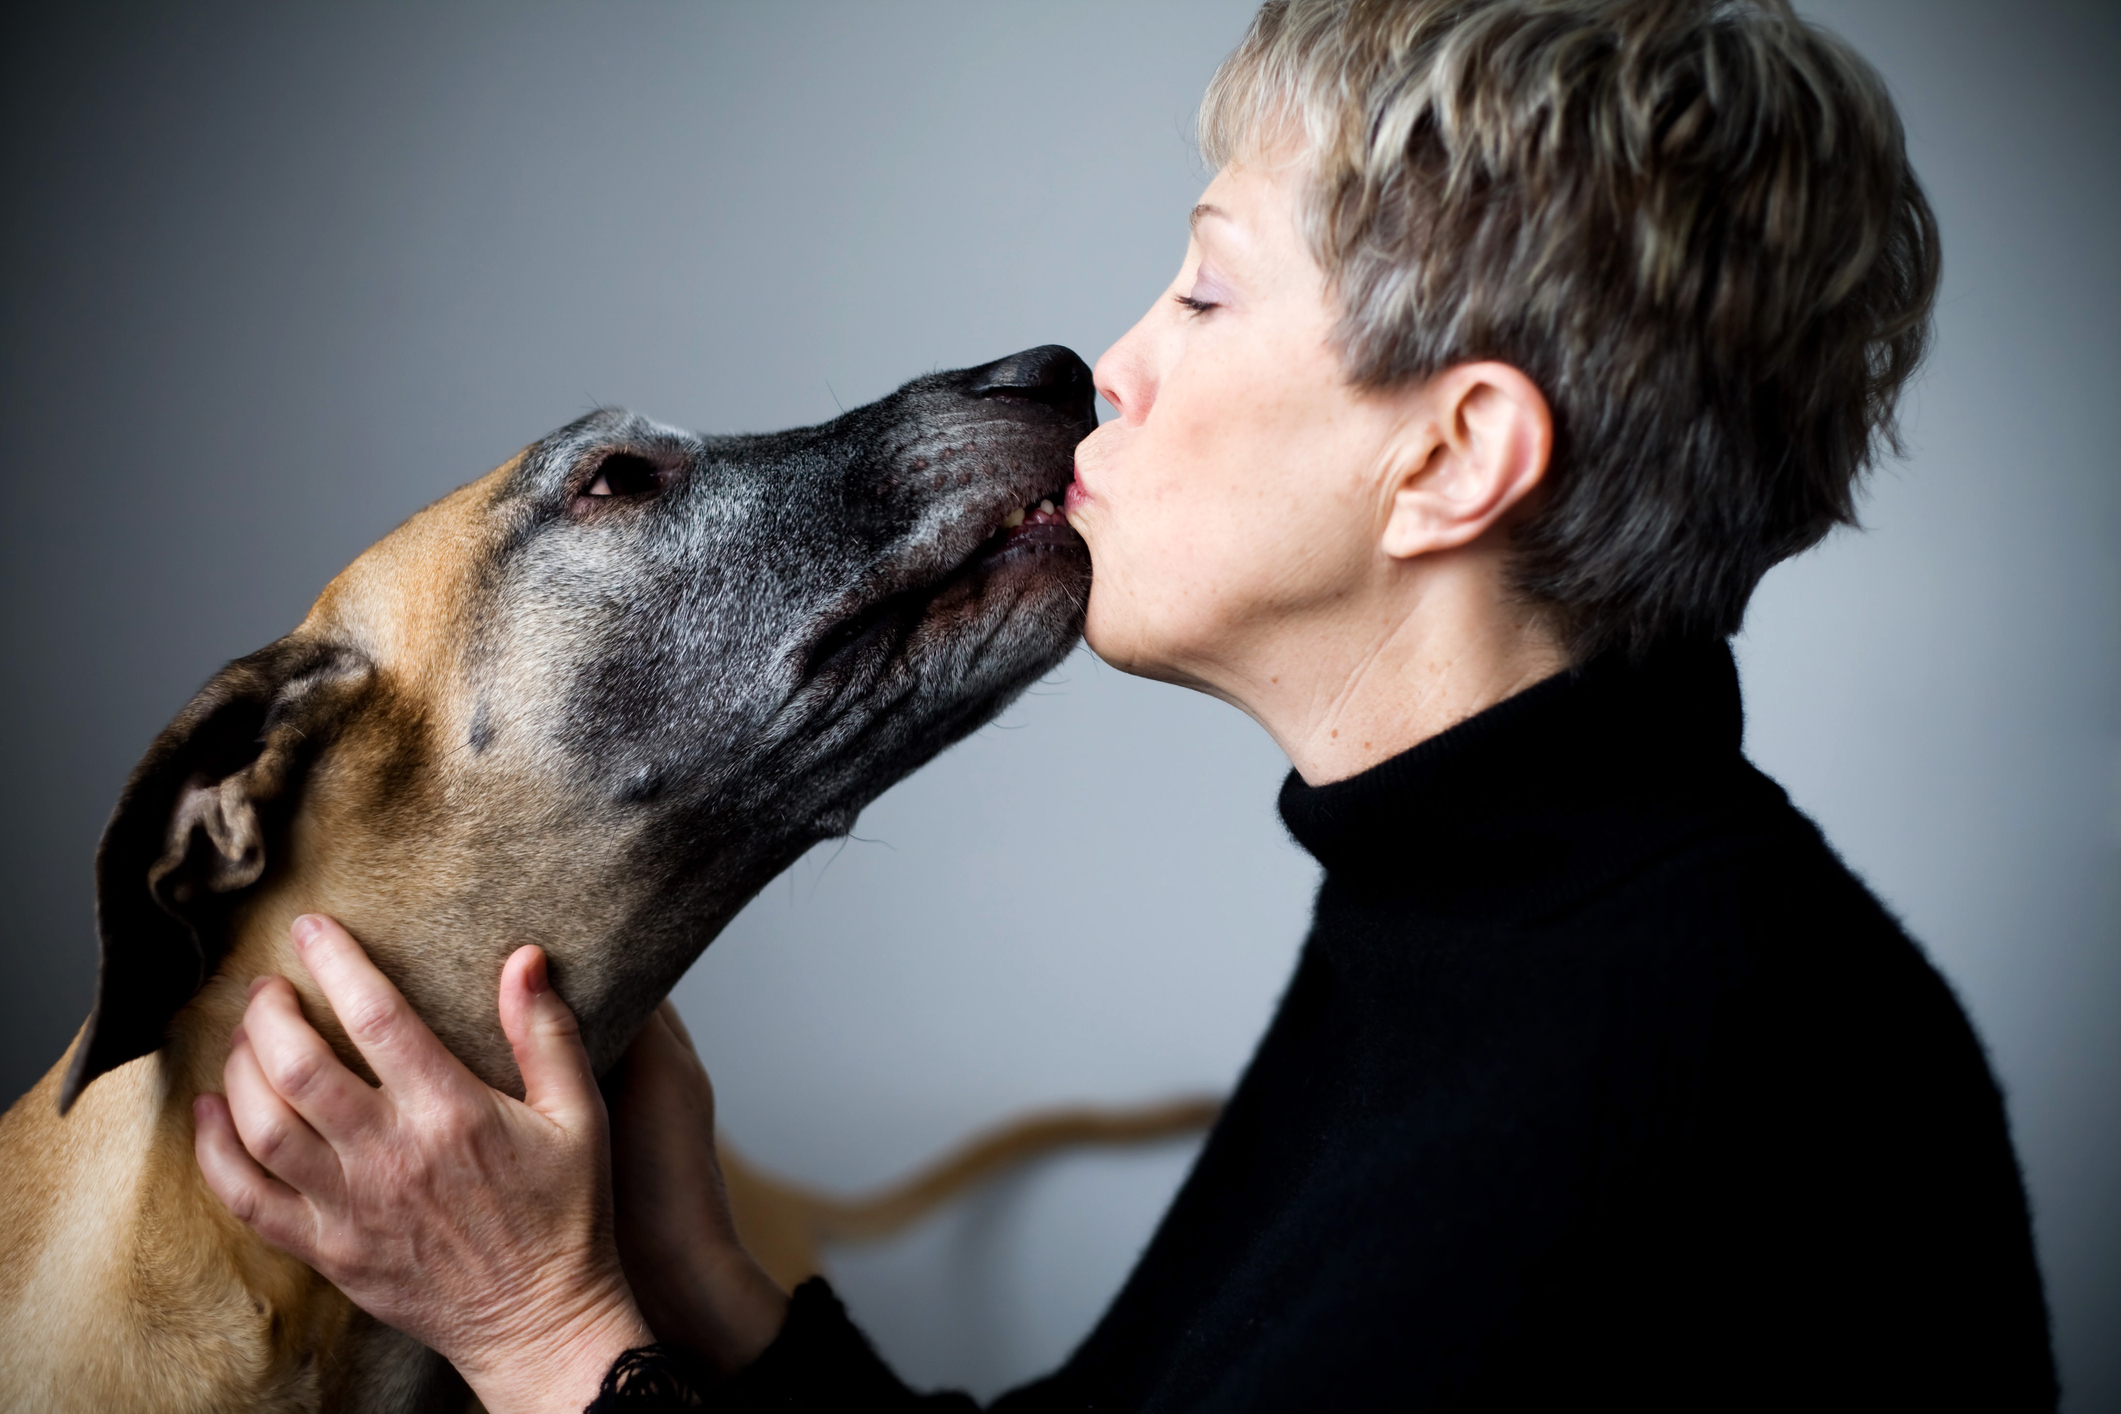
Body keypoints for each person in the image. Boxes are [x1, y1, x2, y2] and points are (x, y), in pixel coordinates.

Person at [191, 0, 2059, 1409]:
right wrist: (696, 1287)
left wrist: (540, 1330)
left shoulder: (1692, 1067)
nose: (1115, 365)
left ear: (1450, 457)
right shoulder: (1506, 922)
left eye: (1208, 295)